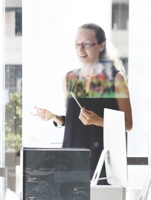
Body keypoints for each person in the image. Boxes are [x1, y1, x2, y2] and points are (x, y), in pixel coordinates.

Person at [32, 23, 134, 174]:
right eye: (77, 44)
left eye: (86, 44)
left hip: (103, 162)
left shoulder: (115, 79)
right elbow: (73, 121)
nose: (80, 49)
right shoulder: (70, 78)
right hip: (70, 161)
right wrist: (54, 117)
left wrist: (99, 121)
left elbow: (128, 124)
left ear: (101, 46)